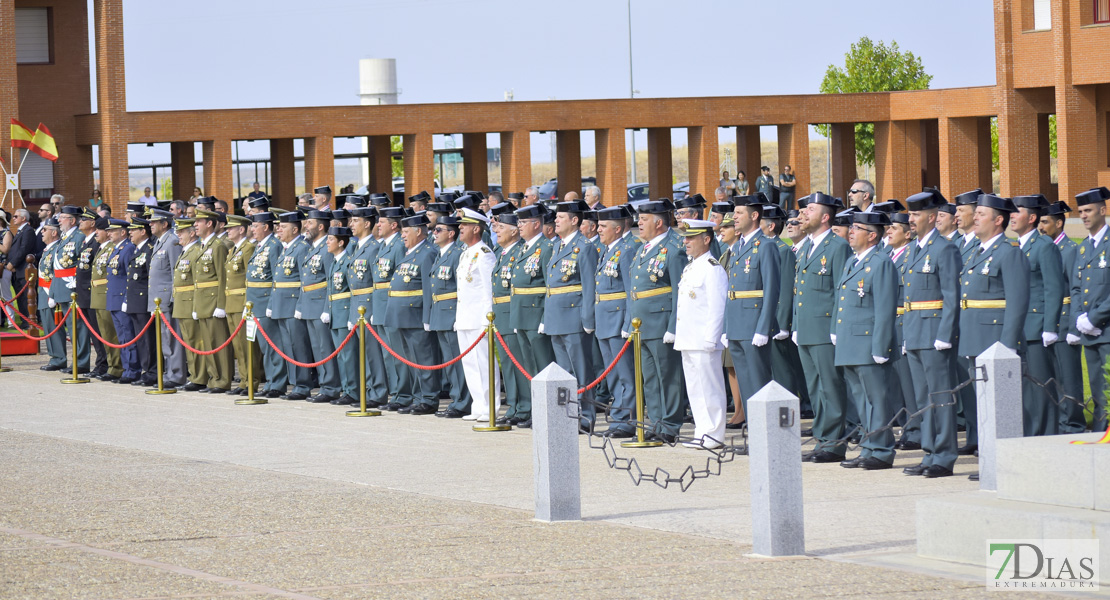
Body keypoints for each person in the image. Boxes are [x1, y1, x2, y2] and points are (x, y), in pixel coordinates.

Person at [959, 194, 1030, 480]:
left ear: (998, 220)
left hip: (995, 341)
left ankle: (1005, 465)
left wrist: (1007, 345)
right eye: (974, 213)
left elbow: (1017, 302)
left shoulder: (1008, 252)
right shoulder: (977, 251)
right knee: (983, 408)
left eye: (981, 214)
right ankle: (990, 462)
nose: (974, 218)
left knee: (1001, 409)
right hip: (974, 339)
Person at [901, 189, 962, 477]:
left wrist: (945, 333)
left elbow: (952, 294)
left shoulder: (944, 248)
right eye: (910, 214)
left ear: (932, 216)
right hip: (914, 331)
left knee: (940, 396)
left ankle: (945, 455)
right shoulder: (914, 248)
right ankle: (929, 453)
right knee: (923, 399)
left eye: (915, 214)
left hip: (934, 332)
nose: (910, 219)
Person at [834, 211, 898, 470]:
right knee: (861, 399)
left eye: (857, 228)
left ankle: (882, 451)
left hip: (868, 343)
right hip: (850, 342)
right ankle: (869, 447)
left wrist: (881, 345)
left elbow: (885, 308)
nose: (851, 231)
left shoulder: (881, 262)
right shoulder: (852, 262)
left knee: (876, 399)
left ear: (872, 235)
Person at [793, 192, 852, 463]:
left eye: (811, 209)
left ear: (825, 217)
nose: (804, 213)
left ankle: (834, 443)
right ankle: (822, 438)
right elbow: (799, 291)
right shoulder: (806, 247)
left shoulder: (837, 247)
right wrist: (795, 324)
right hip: (805, 328)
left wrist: (836, 328)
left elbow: (841, 290)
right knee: (815, 388)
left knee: (830, 386)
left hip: (825, 328)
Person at [626, 199, 689, 443]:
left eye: (643, 220)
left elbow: (678, 291)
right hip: (641, 324)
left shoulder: (674, 249)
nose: (639, 223)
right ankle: (656, 422)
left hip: (662, 322)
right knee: (650, 378)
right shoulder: (643, 249)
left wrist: (673, 327)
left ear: (659, 222)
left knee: (667, 376)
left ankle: (670, 425)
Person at [724, 195, 780, 423]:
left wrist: (763, 328)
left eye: (739, 213)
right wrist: (727, 328)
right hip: (737, 323)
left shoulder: (765, 246)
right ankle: (753, 432)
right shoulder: (738, 247)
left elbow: (772, 289)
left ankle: (765, 433)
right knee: (745, 383)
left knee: (758, 383)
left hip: (754, 323)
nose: (734, 217)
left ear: (754, 216)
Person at [544, 200, 599, 431]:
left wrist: (588, 320)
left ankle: (586, 417)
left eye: (561, 217)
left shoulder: (583, 247)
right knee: (563, 373)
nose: (556, 220)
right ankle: (568, 416)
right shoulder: (557, 245)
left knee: (581, 371)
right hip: (556, 317)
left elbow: (588, 286)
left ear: (575, 220)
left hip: (574, 317)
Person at [1012, 194, 1064, 436]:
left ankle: (1043, 437)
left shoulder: (1044, 246)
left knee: (1041, 387)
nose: (1011, 216)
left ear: (1031, 218)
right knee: (1022, 388)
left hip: (1036, 327)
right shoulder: (1015, 247)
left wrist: (1050, 327)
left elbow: (1054, 288)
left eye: (1017, 212)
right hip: (1018, 329)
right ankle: (1028, 435)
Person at [501, 203, 555, 429]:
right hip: (520, 315)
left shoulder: (546, 248)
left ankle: (547, 412)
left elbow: (549, 286)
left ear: (536, 224)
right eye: (518, 223)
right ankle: (532, 410)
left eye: (523, 222)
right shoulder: (523, 248)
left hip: (535, 315)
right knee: (527, 368)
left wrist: (544, 318)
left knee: (542, 367)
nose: (519, 226)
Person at [1039, 201, 1086, 434]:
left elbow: (1075, 289)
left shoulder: (1069, 249)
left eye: (1045, 222)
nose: (1041, 227)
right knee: (1050, 377)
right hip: (1046, 321)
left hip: (1065, 321)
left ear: (1059, 223)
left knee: (1068, 378)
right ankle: (1058, 422)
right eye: (1039, 221)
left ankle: (1074, 424)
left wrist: (1075, 329)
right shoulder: (1043, 247)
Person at [386, 212, 439, 415]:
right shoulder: (410, 252)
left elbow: (428, 288)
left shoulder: (427, 253)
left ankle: (428, 398)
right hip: (402, 315)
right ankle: (417, 397)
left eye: (406, 232)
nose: (403, 236)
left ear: (419, 231)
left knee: (423, 359)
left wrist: (427, 318)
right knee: (410, 360)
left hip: (415, 314)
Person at [1071, 186, 1110, 433]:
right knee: (1096, 388)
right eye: (1081, 211)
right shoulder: (1083, 246)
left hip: (1106, 330)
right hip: (1089, 331)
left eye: (1089, 210)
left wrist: (1095, 318)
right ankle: (1100, 434)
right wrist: (1079, 318)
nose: (1083, 215)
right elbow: (1075, 287)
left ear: (1103, 210)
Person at [452, 208, 498, 421]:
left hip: (480, 319)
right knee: (470, 364)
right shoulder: (465, 253)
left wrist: (488, 319)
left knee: (484, 364)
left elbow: (488, 290)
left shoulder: (484, 254)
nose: (459, 227)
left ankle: (491, 407)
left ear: (476, 228)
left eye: (464, 225)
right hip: (465, 317)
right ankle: (478, 406)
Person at [424, 214, 472, 418]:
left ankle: (463, 402)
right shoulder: (441, 253)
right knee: (450, 362)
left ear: (451, 233)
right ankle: (457, 399)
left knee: (457, 362)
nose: (434, 233)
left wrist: (458, 315)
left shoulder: (457, 253)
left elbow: (461, 287)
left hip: (451, 312)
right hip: (440, 312)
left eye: (438, 230)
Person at [342, 207, 388, 407]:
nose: (351, 225)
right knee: (364, 352)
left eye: (355, 221)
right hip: (356, 304)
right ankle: (370, 389)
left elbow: (374, 281)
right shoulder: (356, 247)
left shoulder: (374, 248)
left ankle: (378, 392)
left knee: (372, 352)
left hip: (367, 305)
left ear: (367, 224)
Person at [297, 210, 341, 403]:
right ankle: (325, 385)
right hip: (309, 304)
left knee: (325, 349)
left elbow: (331, 281)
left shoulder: (326, 248)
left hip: (321, 304)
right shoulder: (311, 247)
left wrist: (326, 308)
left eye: (310, 223)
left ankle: (331, 387)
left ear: (321, 226)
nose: (306, 226)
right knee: (317, 349)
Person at [884, 212, 919, 450]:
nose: (888, 231)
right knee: (894, 384)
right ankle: (904, 426)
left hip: (903, 321)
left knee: (909, 385)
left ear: (907, 234)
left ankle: (915, 431)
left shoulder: (911, 255)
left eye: (893, 228)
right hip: (889, 323)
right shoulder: (887, 255)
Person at [490, 212, 527, 423]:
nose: (496, 231)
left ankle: (524, 407)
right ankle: (514, 405)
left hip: (513, 313)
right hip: (501, 314)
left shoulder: (520, 252)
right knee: (507, 364)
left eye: (501, 227)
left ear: (514, 231)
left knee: (518, 363)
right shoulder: (502, 253)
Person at [191, 210, 234, 393]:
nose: (195, 225)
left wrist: (221, 305)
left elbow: (223, 277)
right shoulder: (202, 246)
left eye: (198, 221)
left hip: (214, 301)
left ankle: (223, 380)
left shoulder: (218, 246)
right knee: (208, 344)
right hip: (202, 301)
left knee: (219, 343)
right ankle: (213, 378)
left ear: (209, 224)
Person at [246, 212, 285, 399]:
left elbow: (276, 278)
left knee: (272, 344)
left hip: (265, 300)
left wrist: (271, 304)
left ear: (266, 227)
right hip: (255, 303)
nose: (252, 230)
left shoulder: (274, 246)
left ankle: (277, 383)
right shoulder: (260, 246)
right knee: (264, 346)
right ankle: (270, 381)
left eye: (255, 226)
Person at [222, 214, 260, 396]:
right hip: (231, 302)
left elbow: (249, 278)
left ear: (242, 229)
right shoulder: (234, 250)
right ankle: (244, 380)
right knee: (238, 347)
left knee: (246, 346)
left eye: (231, 228)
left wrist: (248, 304)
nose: (227, 230)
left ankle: (251, 381)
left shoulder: (248, 249)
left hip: (242, 302)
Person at [147, 209, 185, 389]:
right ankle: (169, 372)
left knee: (171, 339)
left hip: (166, 298)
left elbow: (176, 272)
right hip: (158, 300)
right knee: (164, 339)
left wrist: (172, 298)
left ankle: (176, 375)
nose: (150, 224)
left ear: (165, 224)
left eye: (155, 222)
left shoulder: (172, 241)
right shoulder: (160, 241)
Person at [324, 226, 359, 406]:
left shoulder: (348, 261)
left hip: (344, 311)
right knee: (341, 355)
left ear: (341, 242)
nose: (327, 242)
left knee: (349, 355)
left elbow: (352, 291)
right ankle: (346, 389)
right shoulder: (335, 261)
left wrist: (350, 315)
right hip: (335, 311)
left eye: (331, 239)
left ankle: (353, 391)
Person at [52, 206, 89, 374]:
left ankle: (81, 362)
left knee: (78, 327)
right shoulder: (65, 237)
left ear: (72, 220)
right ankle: (76, 360)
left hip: (72, 286)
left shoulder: (79, 237)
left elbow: (82, 264)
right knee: (71, 326)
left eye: (63, 217)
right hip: (62, 286)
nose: (59, 220)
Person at [173, 219, 209, 392]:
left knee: (196, 342)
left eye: (182, 232)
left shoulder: (195, 251)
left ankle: (199, 377)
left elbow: (197, 281)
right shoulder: (186, 251)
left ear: (192, 233)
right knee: (189, 342)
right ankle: (194, 375)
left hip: (190, 303)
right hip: (182, 302)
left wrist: (196, 306)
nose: (178, 235)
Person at [90, 217, 123, 381]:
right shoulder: (102, 248)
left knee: (112, 334)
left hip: (106, 295)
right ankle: (112, 366)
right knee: (105, 334)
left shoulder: (111, 248)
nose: (96, 232)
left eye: (100, 230)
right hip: (98, 296)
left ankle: (117, 367)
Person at [105, 218, 138, 382]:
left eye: (113, 231)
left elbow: (129, 277)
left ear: (123, 232)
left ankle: (132, 370)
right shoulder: (117, 249)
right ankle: (127, 368)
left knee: (127, 335)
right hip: (113, 299)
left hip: (121, 299)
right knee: (122, 337)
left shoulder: (128, 248)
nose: (109, 233)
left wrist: (126, 299)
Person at [124, 217, 156, 385]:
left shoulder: (149, 249)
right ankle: (147, 370)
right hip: (135, 300)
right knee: (140, 339)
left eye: (133, 230)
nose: (130, 233)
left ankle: (152, 372)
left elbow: (151, 278)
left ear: (143, 232)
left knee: (147, 340)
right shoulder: (137, 250)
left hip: (144, 301)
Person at [7, 208, 35, 327]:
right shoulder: (20, 231)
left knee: (26, 297)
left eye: (16, 216)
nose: (13, 218)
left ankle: (29, 321)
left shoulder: (28, 231)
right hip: (17, 270)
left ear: (23, 218)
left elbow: (24, 249)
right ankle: (25, 320)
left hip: (23, 269)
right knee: (21, 297)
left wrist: (12, 263)